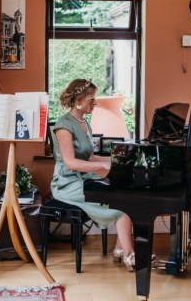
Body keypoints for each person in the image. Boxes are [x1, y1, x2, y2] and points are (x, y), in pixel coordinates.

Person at [50, 79, 136, 271]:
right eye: (91, 99)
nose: (94, 103)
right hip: (67, 183)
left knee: (127, 196)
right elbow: (71, 163)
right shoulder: (63, 125)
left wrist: (111, 162)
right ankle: (129, 255)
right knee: (122, 205)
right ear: (79, 100)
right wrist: (101, 168)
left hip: (84, 177)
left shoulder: (84, 123)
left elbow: (89, 156)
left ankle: (121, 250)